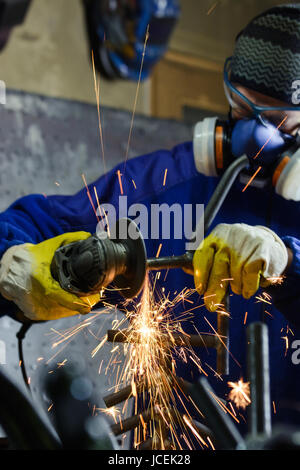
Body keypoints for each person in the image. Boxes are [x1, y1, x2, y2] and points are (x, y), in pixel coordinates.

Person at [1, 3, 300, 437]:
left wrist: (289, 261)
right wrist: (12, 258)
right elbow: (38, 226)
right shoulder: (165, 189)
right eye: (241, 106)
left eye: (274, 119)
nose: (252, 134)